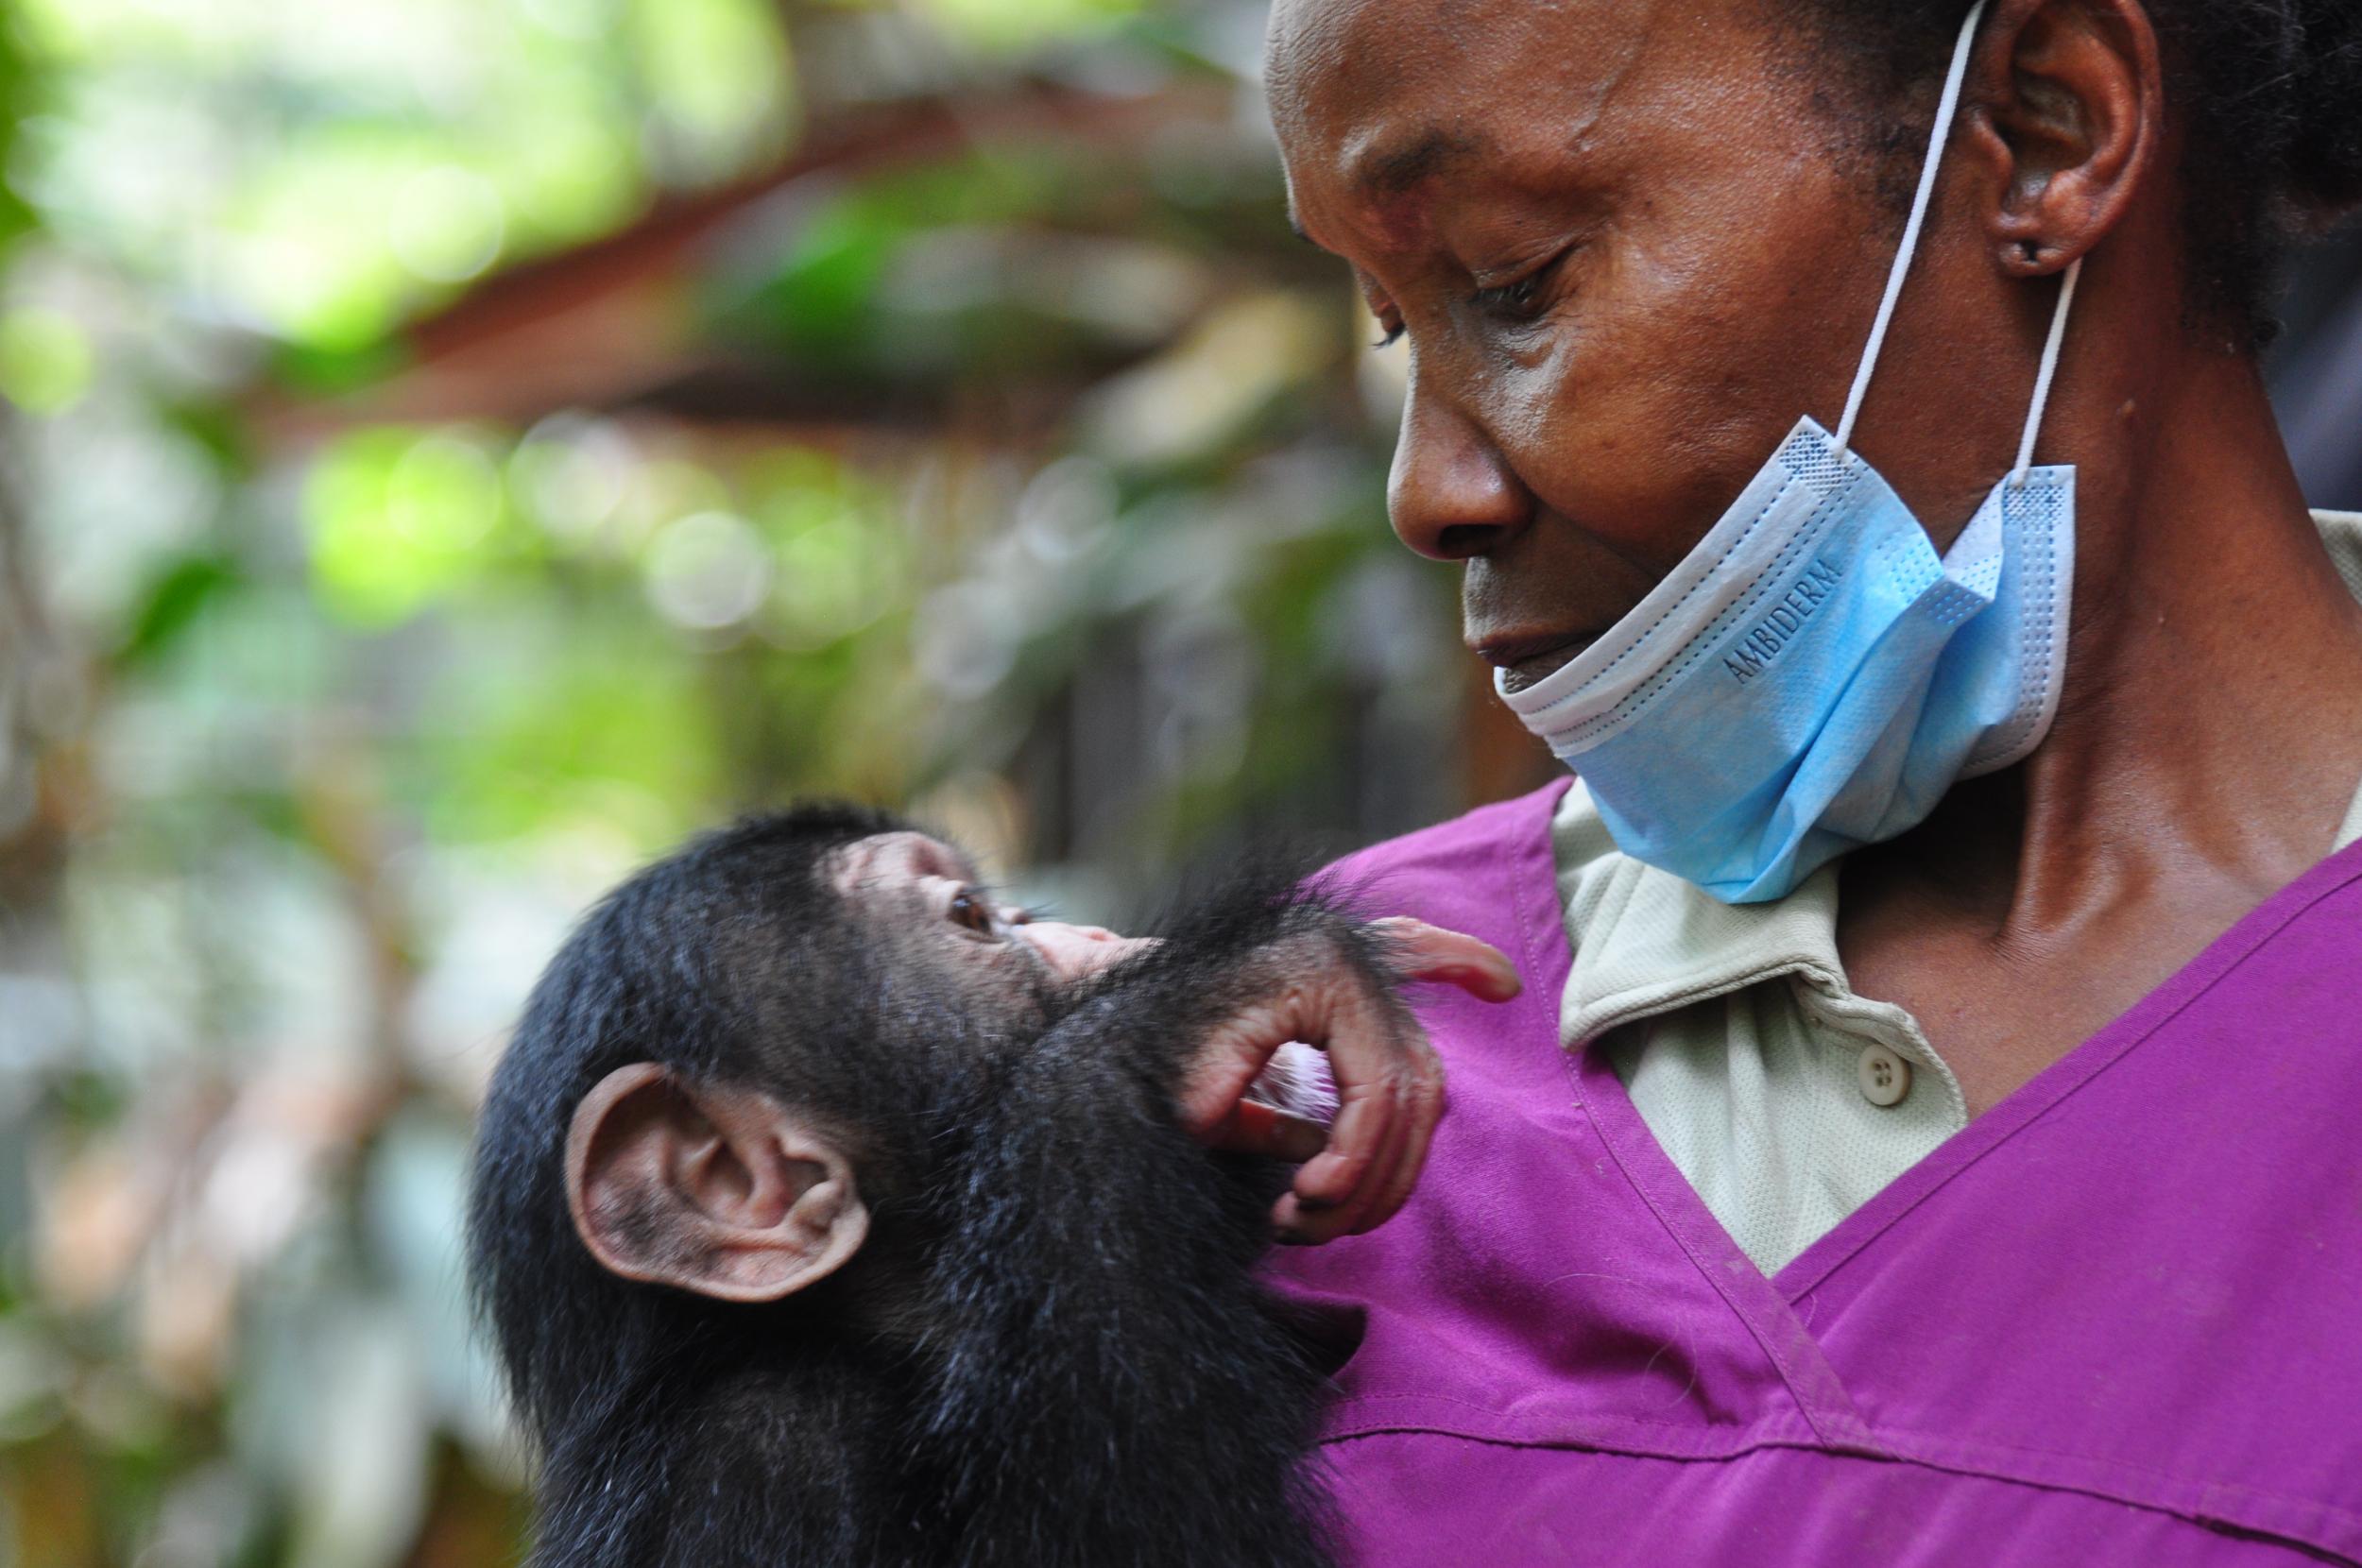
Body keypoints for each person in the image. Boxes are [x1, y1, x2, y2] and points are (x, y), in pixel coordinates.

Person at [1247, 0, 2362, 1560]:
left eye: (1514, 285)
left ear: (2046, 128)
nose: (1430, 491)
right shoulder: (1328, 1063)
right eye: (1391, 324)